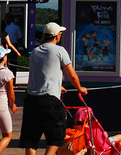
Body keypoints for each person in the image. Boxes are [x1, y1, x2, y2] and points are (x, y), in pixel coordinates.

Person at [19, 22, 88, 155]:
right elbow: (72, 75)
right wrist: (80, 88)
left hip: (31, 100)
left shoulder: (35, 52)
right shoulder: (60, 51)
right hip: (50, 102)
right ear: (57, 36)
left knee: (31, 141)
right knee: (56, 138)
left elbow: (42, 74)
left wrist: (57, 86)